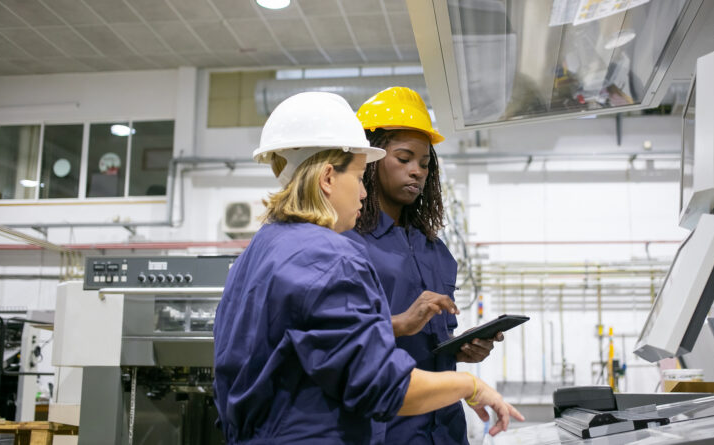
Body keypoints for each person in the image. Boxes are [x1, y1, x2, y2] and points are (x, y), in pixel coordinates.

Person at [213, 92, 522, 444]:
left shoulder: (261, 248)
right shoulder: (328, 255)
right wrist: (470, 385)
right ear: (328, 178)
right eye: (360, 177)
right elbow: (381, 385)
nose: (363, 192)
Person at [347, 87, 505, 445]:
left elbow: (437, 341)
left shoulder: (435, 250)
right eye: (404, 158)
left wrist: (463, 348)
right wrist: (400, 324)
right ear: (369, 161)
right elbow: (340, 341)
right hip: (386, 428)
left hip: (445, 428)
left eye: (424, 163)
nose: (416, 171)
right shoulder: (347, 244)